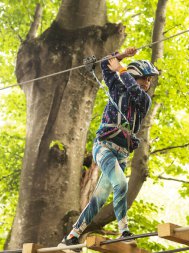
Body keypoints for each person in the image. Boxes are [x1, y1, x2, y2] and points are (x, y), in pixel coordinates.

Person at [59, 47, 159, 247]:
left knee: (99, 198)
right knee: (121, 184)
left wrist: (121, 68)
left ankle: (70, 237)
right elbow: (106, 64)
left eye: (149, 80)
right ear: (134, 75)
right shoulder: (116, 87)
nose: (147, 83)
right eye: (144, 79)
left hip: (121, 154)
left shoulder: (144, 100)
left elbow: (134, 90)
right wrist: (121, 57)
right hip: (104, 146)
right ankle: (124, 231)